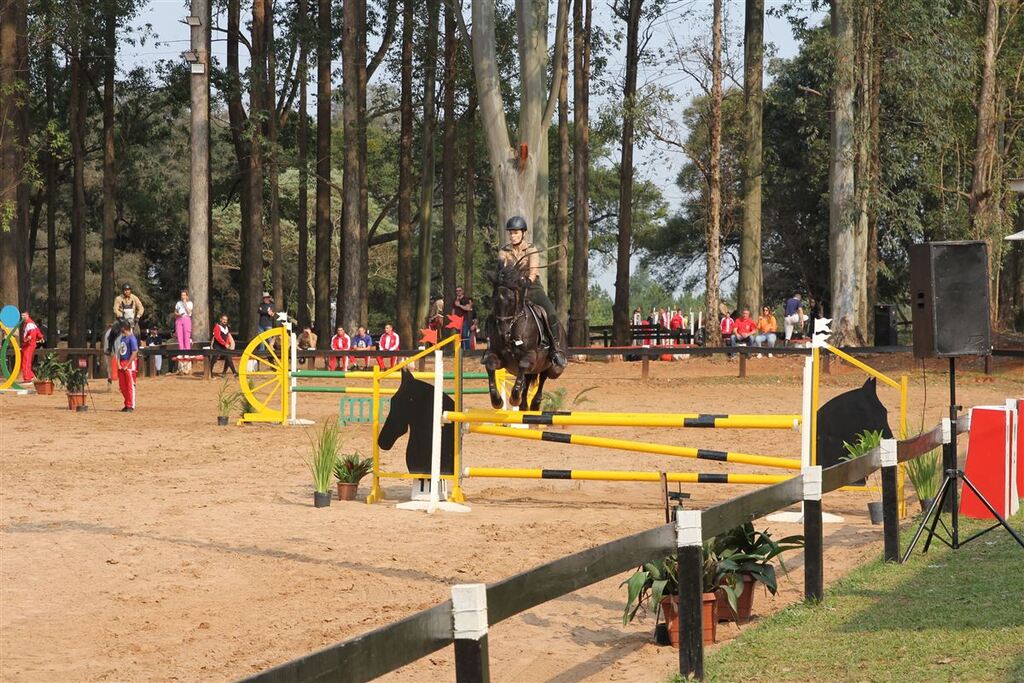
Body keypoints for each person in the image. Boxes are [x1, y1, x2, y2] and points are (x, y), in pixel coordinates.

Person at [498, 215, 567, 368]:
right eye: (511, 233)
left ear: (523, 233)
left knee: (551, 312)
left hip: (531, 287)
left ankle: (556, 350)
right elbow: (502, 267)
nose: (513, 235)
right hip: (512, 288)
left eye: (516, 232)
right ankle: (494, 346)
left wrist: (528, 279)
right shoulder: (504, 251)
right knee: (498, 310)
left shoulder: (531, 249)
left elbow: (534, 269)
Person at [116, 321, 139, 412]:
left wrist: (128, 364)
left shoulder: (132, 339)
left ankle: (130, 405)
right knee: (122, 386)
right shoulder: (122, 338)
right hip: (122, 362)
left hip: (129, 363)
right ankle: (126, 402)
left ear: (124, 328)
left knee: (130, 385)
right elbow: (119, 351)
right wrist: (118, 363)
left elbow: (134, 352)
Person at [19, 311, 44, 382]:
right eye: (22, 316)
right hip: (27, 345)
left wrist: (28, 338)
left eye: (24, 315)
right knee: (26, 361)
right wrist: (40, 337)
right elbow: (37, 330)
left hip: (29, 345)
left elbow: (32, 332)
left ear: (27, 315)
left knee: (26, 361)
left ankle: (27, 378)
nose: (22, 317)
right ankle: (31, 376)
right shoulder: (29, 323)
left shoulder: (29, 323)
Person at [104, 320, 121, 384]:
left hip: (129, 320)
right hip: (119, 321)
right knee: (113, 331)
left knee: (137, 331)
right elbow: (116, 310)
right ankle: (109, 348)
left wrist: (138, 316)